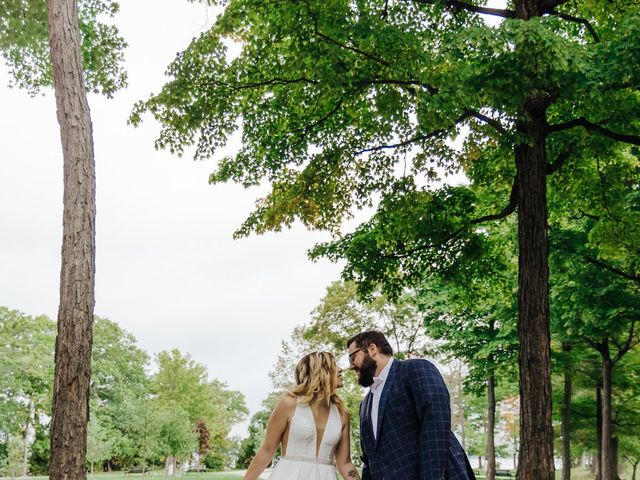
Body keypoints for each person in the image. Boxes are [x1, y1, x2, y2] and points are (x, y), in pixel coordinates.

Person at [347, 331, 476, 480]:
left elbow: (436, 430)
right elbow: (369, 461)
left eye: (352, 358)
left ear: (372, 349)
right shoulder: (365, 404)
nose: (351, 366)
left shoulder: (415, 370)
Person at [243, 351, 360, 480]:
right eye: (334, 365)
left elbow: (345, 463)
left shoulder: (342, 413)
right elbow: (267, 450)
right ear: (319, 372)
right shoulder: (289, 404)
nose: (340, 369)